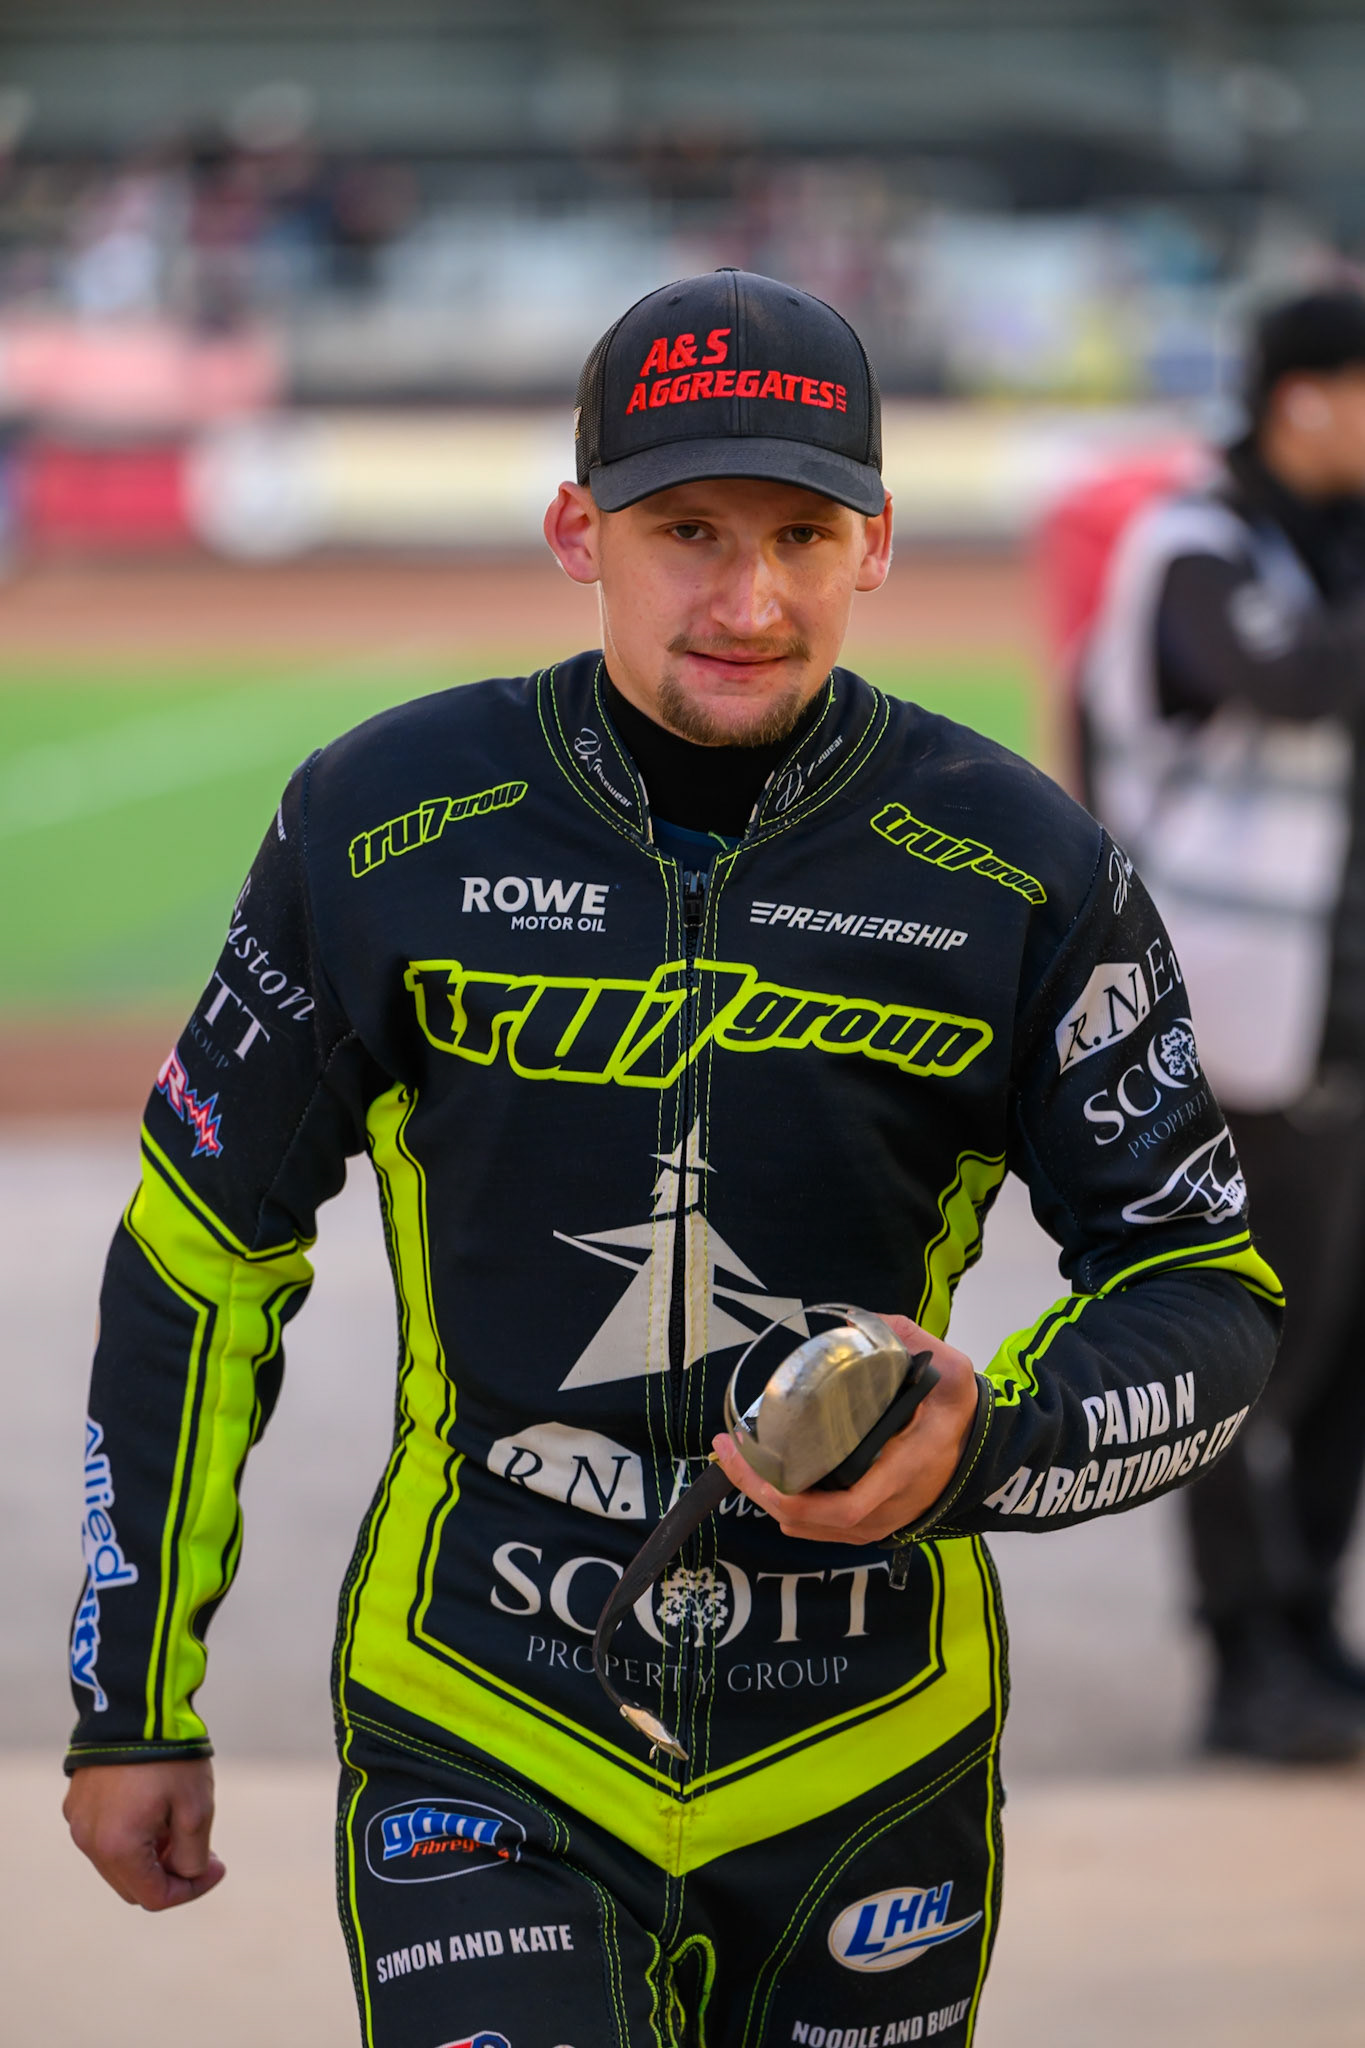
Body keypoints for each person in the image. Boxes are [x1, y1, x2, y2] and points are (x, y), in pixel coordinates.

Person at [64, 270, 1279, 2047]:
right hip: (482, 1710)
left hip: (868, 1749)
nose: (747, 594)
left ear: (875, 542)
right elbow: (196, 1259)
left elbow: (1199, 1286)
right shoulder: (378, 822)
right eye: (685, 528)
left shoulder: (1027, 870)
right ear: (579, 530)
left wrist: (991, 1443)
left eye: (801, 530)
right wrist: (129, 1702)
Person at [1081, 287, 1365, 1765]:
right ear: (1302, 396)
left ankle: (1312, 1623)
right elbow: (1289, 674)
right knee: (1249, 1343)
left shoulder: (1336, 542)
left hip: (1346, 1016)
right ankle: (1240, 1651)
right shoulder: (1190, 541)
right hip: (1240, 1022)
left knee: (1350, 1350)